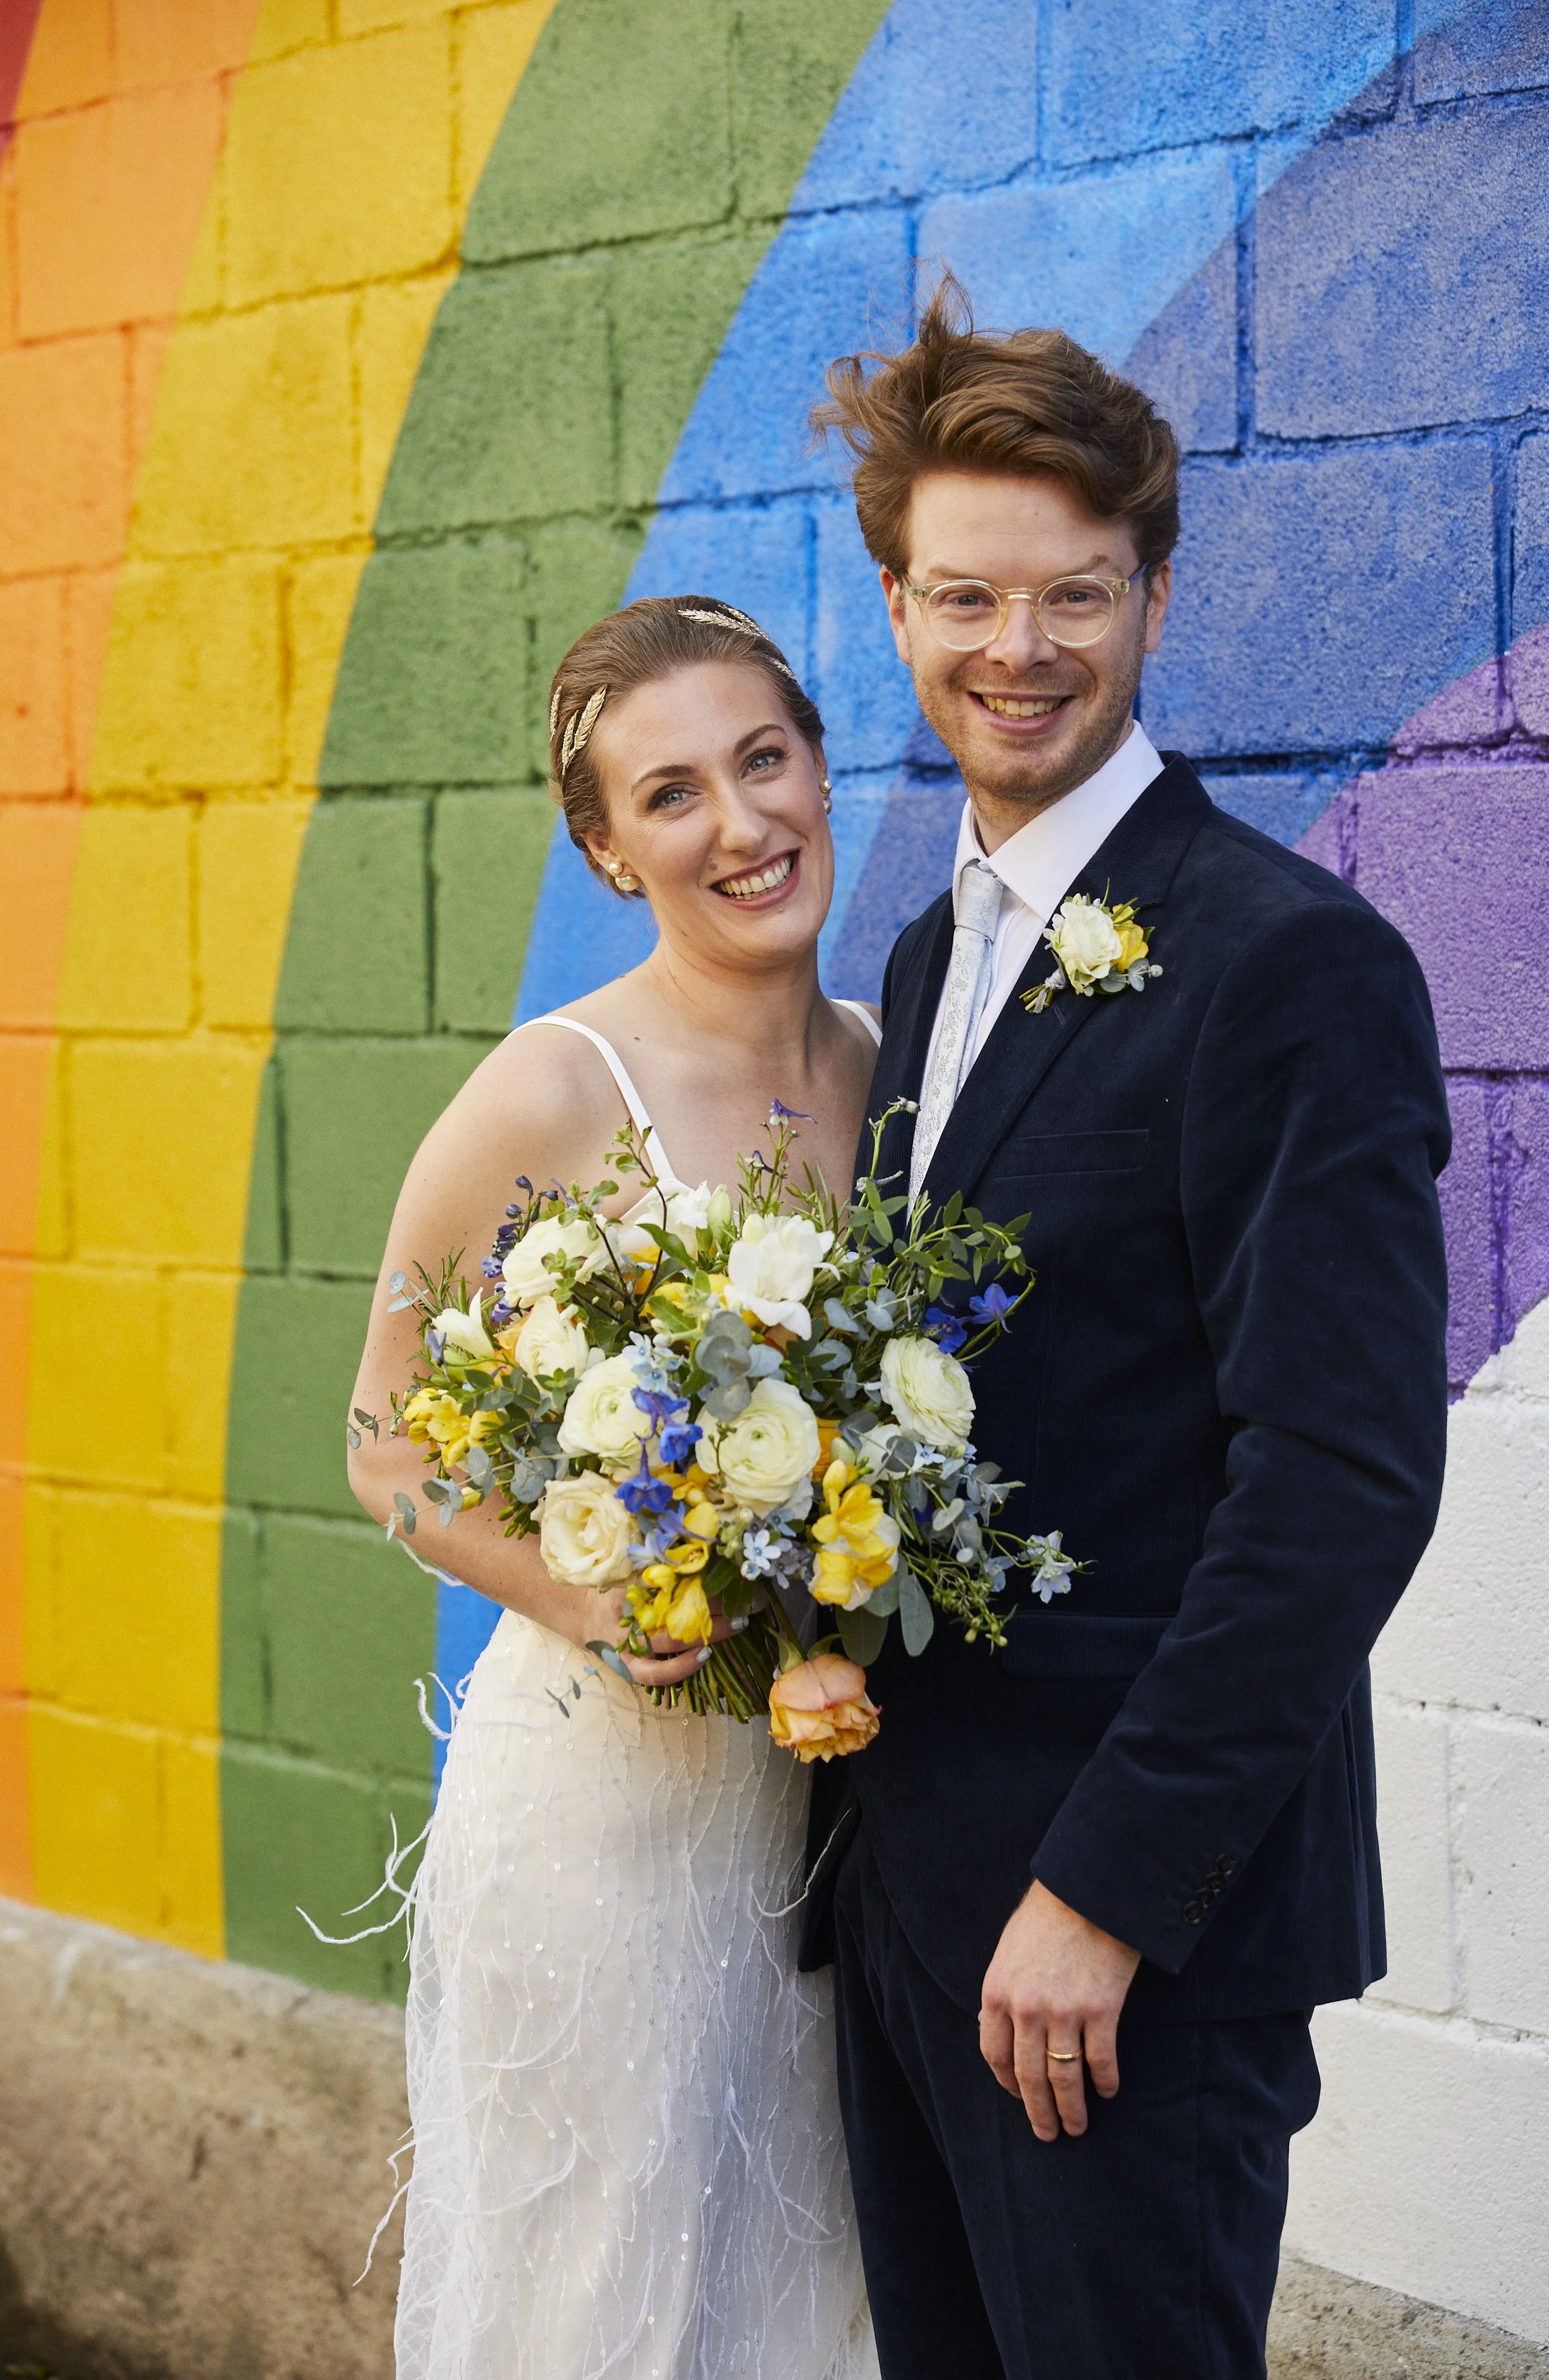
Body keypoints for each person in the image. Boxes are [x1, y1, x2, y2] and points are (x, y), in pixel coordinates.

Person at [798, 280, 1451, 2379]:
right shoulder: (926, 944)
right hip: (910, 1904)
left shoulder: (1293, 965)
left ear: (1154, 596)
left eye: (1075, 596)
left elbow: (1339, 1481)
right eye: (968, 598)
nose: (1021, 653)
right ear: (897, 607)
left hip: (1118, 1949)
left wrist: (1106, 1893)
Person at [348, 596, 882, 2380]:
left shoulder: (890, 1069)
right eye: (671, 795)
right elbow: (380, 1441)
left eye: (763, 759)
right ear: (604, 847)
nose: (739, 824)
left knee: (805, 2301)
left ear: (818, 762)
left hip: (831, 1831)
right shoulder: (545, 1092)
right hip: (607, 1823)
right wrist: (587, 1596)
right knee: (604, 2306)